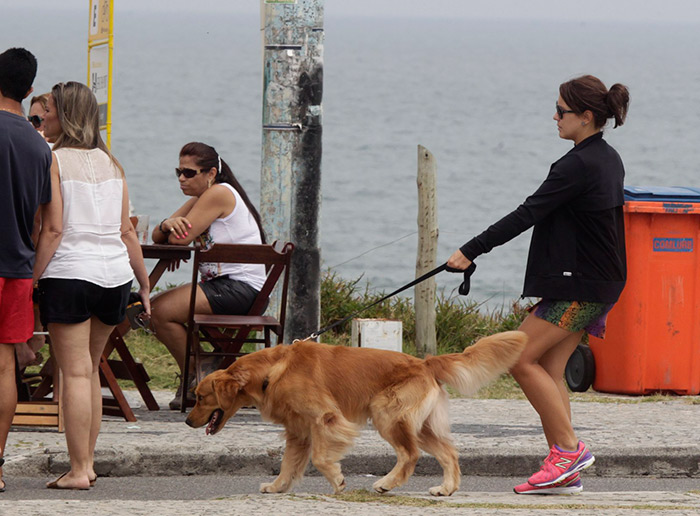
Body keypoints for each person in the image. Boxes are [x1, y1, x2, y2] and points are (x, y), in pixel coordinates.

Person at [447, 75, 629, 495]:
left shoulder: (578, 165)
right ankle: (564, 468)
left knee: (518, 358)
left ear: (586, 117)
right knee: (549, 368)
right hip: (591, 280)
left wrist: (471, 250)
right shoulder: (606, 157)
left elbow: (527, 212)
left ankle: (568, 451)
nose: (554, 117)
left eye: (561, 111)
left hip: (582, 285)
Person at [34, 81, 150, 490]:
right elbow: (127, 232)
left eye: (48, 110)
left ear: (63, 115)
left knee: (76, 374)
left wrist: (32, 279)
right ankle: (89, 464)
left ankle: (79, 469)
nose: (43, 117)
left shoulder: (54, 161)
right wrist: (144, 283)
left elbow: (51, 229)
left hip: (69, 273)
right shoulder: (112, 163)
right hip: (114, 277)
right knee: (92, 371)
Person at [150, 142, 266, 410]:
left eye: (189, 173)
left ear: (211, 173)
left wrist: (171, 229)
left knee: (158, 311)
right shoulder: (202, 198)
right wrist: (166, 225)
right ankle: (200, 374)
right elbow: (161, 235)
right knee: (154, 307)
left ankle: (196, 376)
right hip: (224, 286)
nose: (181, 178)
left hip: (240, 289)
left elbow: (180, 239)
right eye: (178, 171)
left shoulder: (219, 194)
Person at [0, 47, 52, 495]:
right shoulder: (39, 147)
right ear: (30, 89)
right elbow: (41, 221)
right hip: (16, 268)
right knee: (4, 370)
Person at [14, 92, 52, 370]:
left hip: (40, 258)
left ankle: (23, 357)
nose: (36, 126)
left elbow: (42, 222)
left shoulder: (48, 155)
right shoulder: (36, 150)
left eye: (40, 119)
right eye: (32, 119)